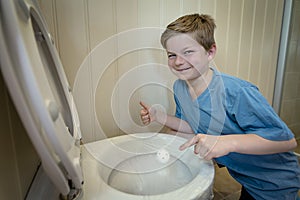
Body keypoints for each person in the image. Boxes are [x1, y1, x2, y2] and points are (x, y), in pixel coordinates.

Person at [139, 13, 300, 200]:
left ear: (210, 52)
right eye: (171, 55)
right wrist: (159, 116)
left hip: (274, 182)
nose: (178, 61)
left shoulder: (237, 91)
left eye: (188, 52)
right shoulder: (180, 88)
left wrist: (226, 142)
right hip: (246, 176)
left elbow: (287, 141)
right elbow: (193, 126)